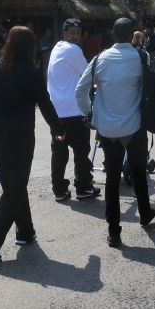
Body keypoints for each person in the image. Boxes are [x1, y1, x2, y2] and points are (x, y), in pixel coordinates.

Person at [0, 27, 64, 262]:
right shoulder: (32, 72)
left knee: (13, 181)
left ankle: (25, 231)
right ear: (30, 46)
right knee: (15, 186)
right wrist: (58, 129)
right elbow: (45, 104)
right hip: (20, 134)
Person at [76, 17, 155, 248]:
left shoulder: (99, 59)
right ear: (132, 35)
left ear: (112, 34)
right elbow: (147, 89)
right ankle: (145, 212)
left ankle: (114, 232)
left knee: (112, 178)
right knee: (139, 171)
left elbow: (80, 90)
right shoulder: (141, 57)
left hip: (107, 128)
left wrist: (89, 113)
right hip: (134, 125)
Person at [47, 18, 100, 202]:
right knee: (81, 150)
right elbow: (89, 75)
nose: (75, 36)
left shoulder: (57, 48)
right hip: (74, 110)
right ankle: (83, 187)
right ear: (64, 33)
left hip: (56, 111)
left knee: (59, 152)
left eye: (78, 33)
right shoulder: (73, 50)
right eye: (72, 33)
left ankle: (59, 190)